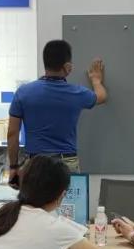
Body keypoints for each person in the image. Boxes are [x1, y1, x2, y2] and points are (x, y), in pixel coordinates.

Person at [6, 40, 106, 180]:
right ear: (67, 67)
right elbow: (101, 97)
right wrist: (96, 80)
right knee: (67, 195)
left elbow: (12, 133)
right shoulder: (77, 93)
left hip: (35, 164)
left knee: (36, 195)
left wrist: (13, 166)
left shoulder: (23, 92)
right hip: (66, 164)